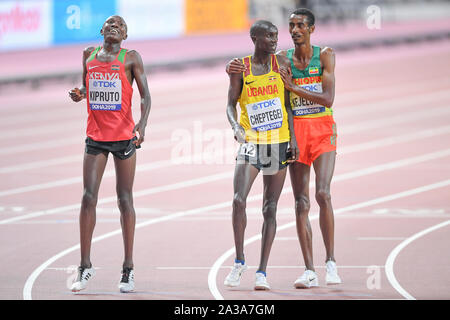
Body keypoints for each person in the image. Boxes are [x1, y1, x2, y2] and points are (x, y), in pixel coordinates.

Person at [226, 8, 342, 288]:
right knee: (299, 202)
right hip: (291, 134)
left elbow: (327, 99)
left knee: (322, 194)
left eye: (300, 25)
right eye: (291, 25)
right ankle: (308, 270)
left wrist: (294, 88)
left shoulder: (324, 54)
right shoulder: (283, 59)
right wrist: (232, 67)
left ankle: (330, 263)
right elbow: (252, 61)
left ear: (311, 29)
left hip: (319, 131)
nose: (293, 30)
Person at [68, 15, 151, 293]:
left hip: (124, 138)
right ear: (101, 30)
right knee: (87, 197)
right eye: (110, 23)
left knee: (124, 199)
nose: (115, 26)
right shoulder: (88, 55)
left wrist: (142, 124)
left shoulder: (131, 58)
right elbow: (85, 84)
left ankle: (128, 269)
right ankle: (85, 265)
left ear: (125, 36)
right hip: (96, 137)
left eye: (121, 25)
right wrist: (80, 93)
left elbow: (145, 96)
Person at [224, 20, 298, 291]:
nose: (274, 39)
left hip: (278, 142)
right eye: (269, 36)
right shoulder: (240, 67)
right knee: (238, 200)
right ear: (255, 38)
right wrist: (235, 126)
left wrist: (293, 139)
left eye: (276, 36)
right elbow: (230, 104)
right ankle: (239, 261)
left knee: (270, 207)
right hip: (251, 142)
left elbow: (288, 106)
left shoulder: (281, 64)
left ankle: (262, 271)